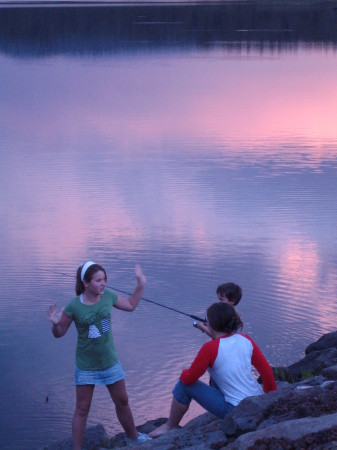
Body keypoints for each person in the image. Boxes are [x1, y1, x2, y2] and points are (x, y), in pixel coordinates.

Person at [47, 261, 152, 448]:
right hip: (86, 365)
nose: (103, 283)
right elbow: (60, 333)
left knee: (122, 401)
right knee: (82, 409)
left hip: (109, 361)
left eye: (104, 279)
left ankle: (133, 437)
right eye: (98, 280)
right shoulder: (74, 306)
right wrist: (55, 324)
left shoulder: (108, 296)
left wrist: (140, 285)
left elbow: (130, 304)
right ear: (86, 283)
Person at [150, 302, 277, 438]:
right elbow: (267, 371)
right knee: (218, 373)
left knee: (184, 385)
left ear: (211, 324)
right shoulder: (246, 339)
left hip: (234, 409)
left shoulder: (210, 348)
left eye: (207, 320)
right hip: (257, 399)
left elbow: (189, 379)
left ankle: (170, 426)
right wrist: (270, 399)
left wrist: (183, 372)